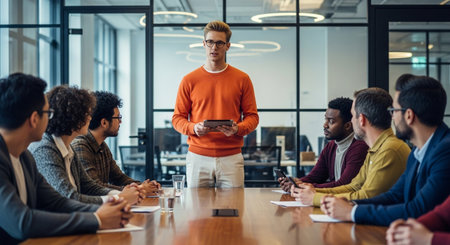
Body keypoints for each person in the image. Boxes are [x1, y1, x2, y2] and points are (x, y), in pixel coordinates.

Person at [0, 73, 132, 244]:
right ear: (34, 119)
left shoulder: (24, 157)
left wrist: (111, 211)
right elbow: (22, 222)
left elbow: (57, 202)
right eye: (49, 113)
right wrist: (97, 219)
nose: (51, 118)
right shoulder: (17, 155)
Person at [320, 75, 450, 226]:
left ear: (409, 115)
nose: (392, 116)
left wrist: (351, 212)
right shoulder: (417, 152)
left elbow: (419, 210)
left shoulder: (445, 152)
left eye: (394, 110)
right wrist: (353, 204)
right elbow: (395, 195)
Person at [172, 20, 259, 188]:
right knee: (197, 212)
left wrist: (237, 129)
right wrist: (194, 128)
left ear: (228, 46)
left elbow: (252, 117)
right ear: (204, 44)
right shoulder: (189, 80)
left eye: (219, 43)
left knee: (233, 210)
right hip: (197, 158)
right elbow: (177, 118)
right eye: (210, 42)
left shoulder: (242, 79)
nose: (214, 47)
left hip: (231, 158)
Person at [291, 87, 410, 206]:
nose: (351, 122)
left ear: (362, 119)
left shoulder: (389, 150)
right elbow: (353, 187)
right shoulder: (377, 148)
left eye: (353, 116)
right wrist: (314, 192)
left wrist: (316, 198)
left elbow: (367, 196)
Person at [29, 86, 143, 205]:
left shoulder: (68, 148)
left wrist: (121, 194)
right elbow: (69, 197)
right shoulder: (45, 149)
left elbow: (88, 186)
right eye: (87, 113)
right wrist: (119, 198)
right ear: (73, 117)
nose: (90, 117)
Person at [72, 91, 160, 194]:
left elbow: (119, 178)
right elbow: (94, 187)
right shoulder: (80, 146)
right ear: (104, 122)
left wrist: (144, 185)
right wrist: (138, 189)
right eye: (118, 117)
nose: (120, 122)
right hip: (93, 208)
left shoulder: (102, 145)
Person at [278, 97, 368, 191]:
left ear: (347, 126)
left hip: (349, 202)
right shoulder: (331, 146)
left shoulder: (359, 148)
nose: (325, 125)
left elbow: (344, 185)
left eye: (331, 121)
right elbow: (315, 177)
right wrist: (296, 183)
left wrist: (303, 186)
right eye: (326, 119)